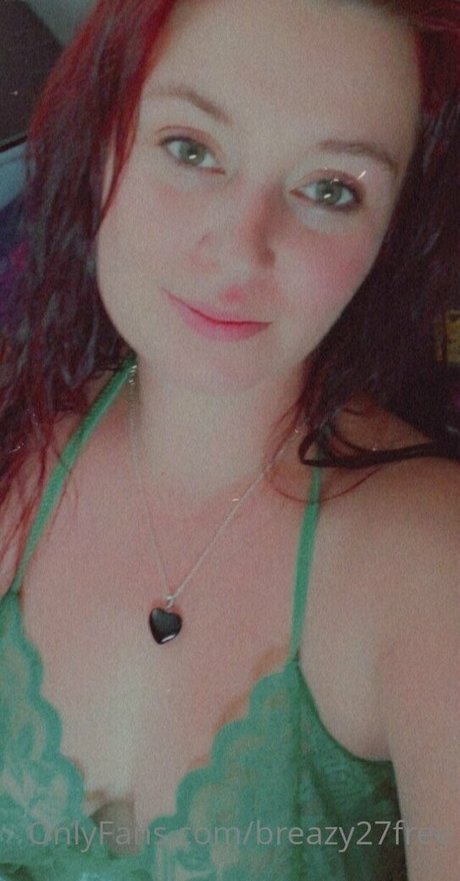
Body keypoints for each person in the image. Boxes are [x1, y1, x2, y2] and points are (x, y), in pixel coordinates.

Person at [0, 0, 459, 878]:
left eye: (332, 189)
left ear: (392, 232)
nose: (243, 250)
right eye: (191, 148)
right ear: (104, 143)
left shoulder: (429, 559)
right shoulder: (18, 440)